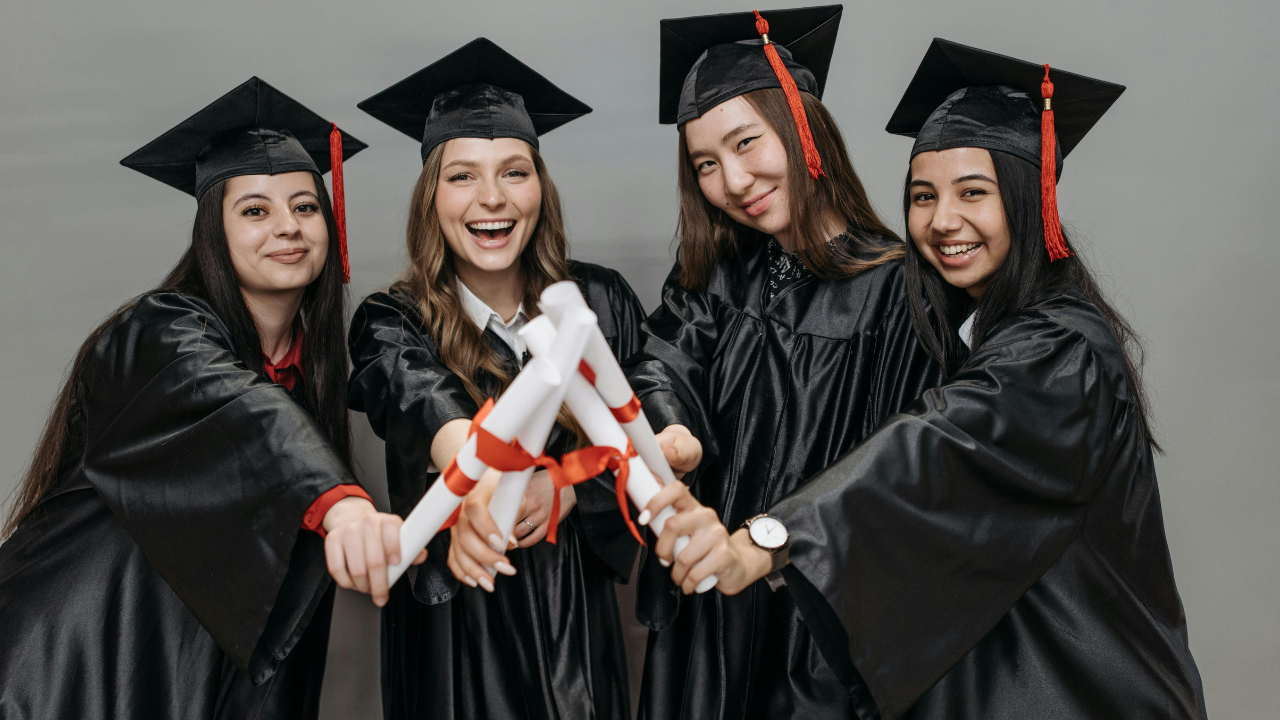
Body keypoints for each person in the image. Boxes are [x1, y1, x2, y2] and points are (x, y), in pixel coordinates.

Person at [645, 39, 1207, 719]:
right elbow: (664, 359)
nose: (942, 221)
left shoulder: (1058, 348)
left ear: (1030, 199)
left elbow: (935, 443)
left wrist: (767, 540)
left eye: (974, 193)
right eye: (922, 196)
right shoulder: (975, 320)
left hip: (1068, 685)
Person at [0, 77, 418, 719]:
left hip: (174, 670)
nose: (288, 226)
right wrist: (343, 507)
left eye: (306, 207)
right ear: (213, 232)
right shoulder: (160, 332)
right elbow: (235, 407)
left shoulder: (307, 381)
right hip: (68, 657)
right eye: (255, 211)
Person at [623, 7, 943, 718]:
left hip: (816, 626)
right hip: (708, 603)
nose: (734, 181)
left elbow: (900, 474)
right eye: (706, 164)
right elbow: (661, 365)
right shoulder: (714, 275)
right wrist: (671, 431)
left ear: (804, 129)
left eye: (746, 142)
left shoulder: (901, 291)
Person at [348, 38, 645, 720]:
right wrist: (484, 482)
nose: (491, 198)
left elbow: (643, 433)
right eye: (462, 176)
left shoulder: (599, 302)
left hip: (573, 614)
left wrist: (567, 492)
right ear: (431, 197)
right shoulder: (393, 319)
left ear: (541, 187)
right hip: (454, 628)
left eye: (514, 171)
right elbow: (420, 401)